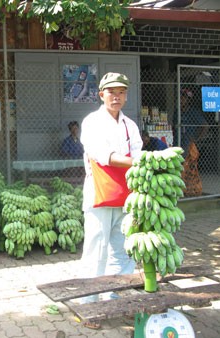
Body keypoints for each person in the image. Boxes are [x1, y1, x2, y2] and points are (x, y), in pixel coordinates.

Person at [79, 72, 143, 290]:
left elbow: (138, 153)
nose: (117, 97)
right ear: (100, 95)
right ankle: (90, 303)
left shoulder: (130, 125)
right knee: (96, 251)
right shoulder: (92, 122)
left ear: (126, 96)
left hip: (126, 197)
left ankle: (116, 298)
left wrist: (139, 162)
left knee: (124, 250)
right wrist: (136, 163)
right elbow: (101, 154)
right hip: (99, 195)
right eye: (112, 92)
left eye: (122, 92)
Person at [177, 88, 209, 153]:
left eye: (183, 98)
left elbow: (205, 126)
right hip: (177, 142)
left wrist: (196, 139)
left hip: (188, 144)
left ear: (188, 100)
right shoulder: (177, 112)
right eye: (180, 97)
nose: (181, 100)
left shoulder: (193, 112)